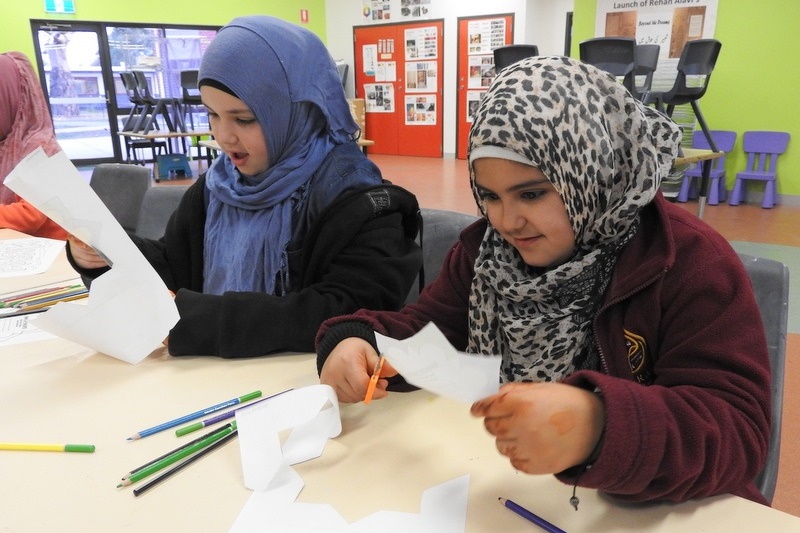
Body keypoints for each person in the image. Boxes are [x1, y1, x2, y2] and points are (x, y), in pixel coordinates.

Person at [315, 56, 771, 506]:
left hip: (660, 508)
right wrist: (359, 340)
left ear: (590, 170)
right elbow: (429, 331)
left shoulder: (685, 262)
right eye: (489, 196)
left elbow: (737, 430)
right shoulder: (486, 254)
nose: (508, 221)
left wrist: (600, 424)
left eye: (531, 193)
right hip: (517, 495)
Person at [67, 15, 422, 358]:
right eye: (212, 114)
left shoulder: (360, 201)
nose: (223, 136)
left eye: (244, 119)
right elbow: (176, 261)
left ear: (299, 112)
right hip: (206, 379)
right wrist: (109, 253)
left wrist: (204, 319)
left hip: (299, 392)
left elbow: (347, 309)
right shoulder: (220, 186)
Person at [0, 51, 68, 240]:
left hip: (53, 254)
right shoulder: (5, 144)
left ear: (12, 98)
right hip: (18, 242)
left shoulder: (41, 148)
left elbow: (30, 215)